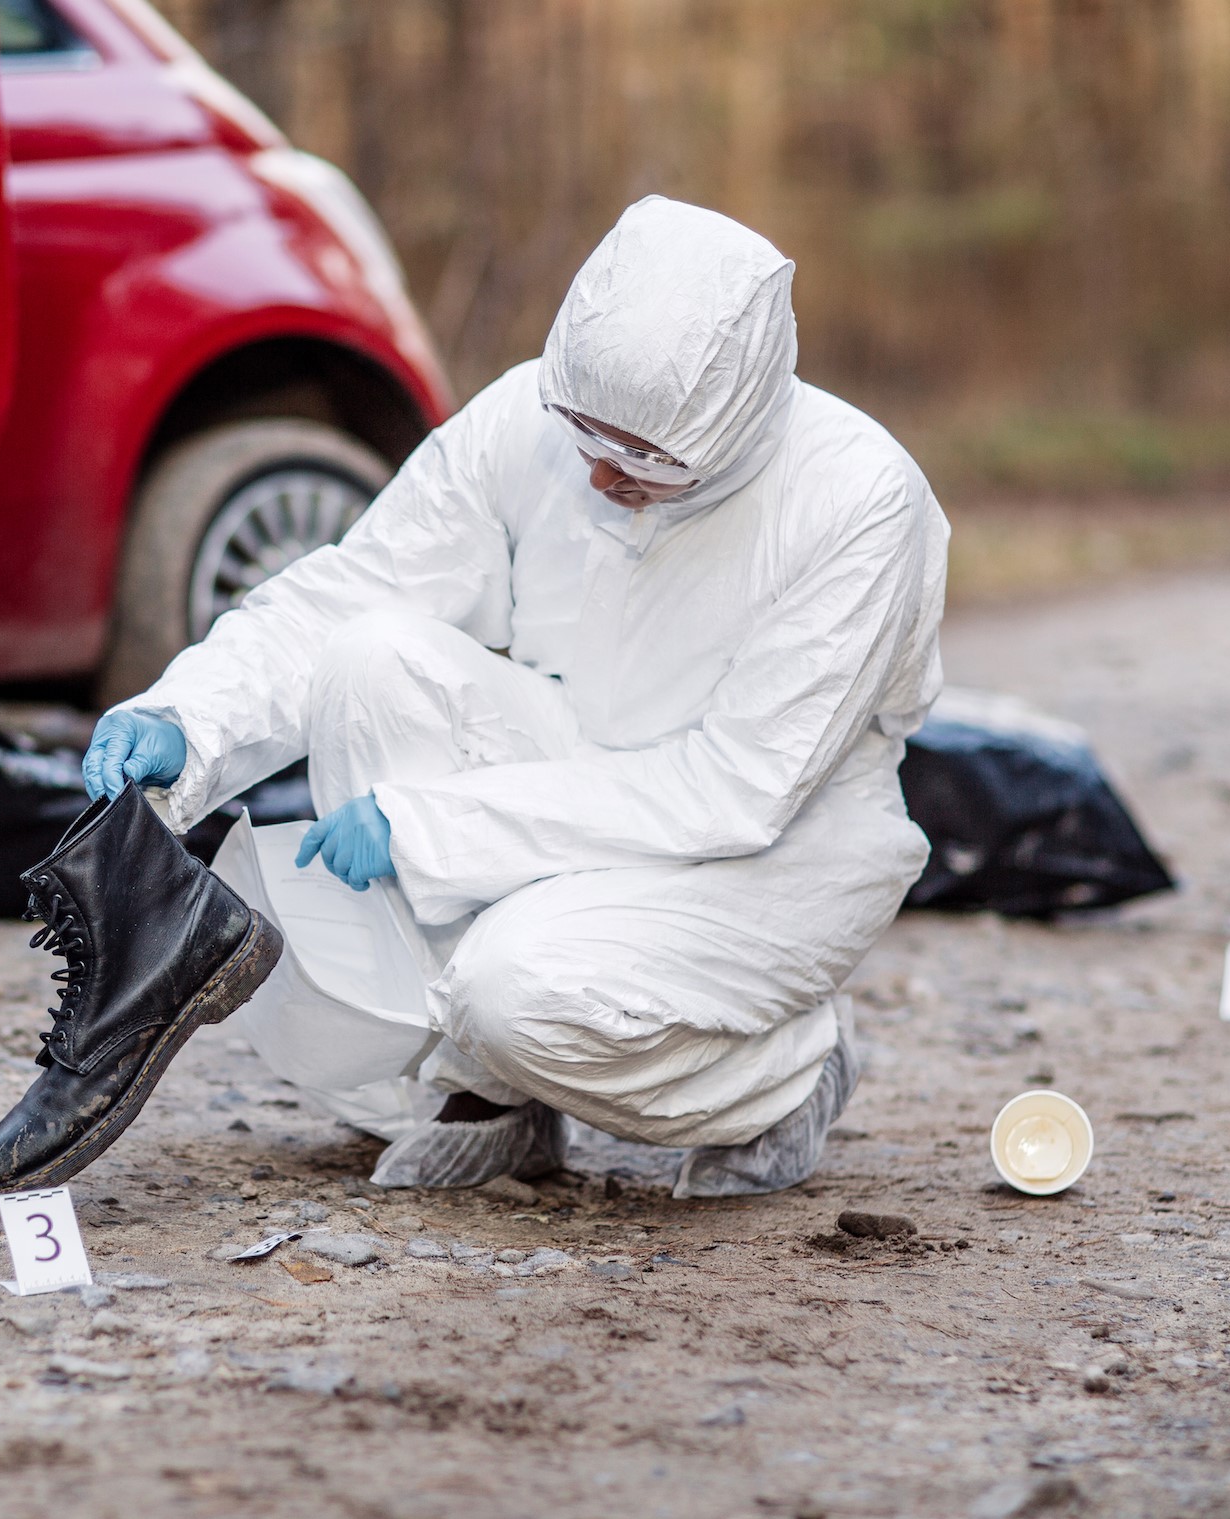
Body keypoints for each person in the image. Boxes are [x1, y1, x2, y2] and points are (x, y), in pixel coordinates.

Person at [80, 196, 948, 1196]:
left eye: (645, 459)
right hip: (577, 766)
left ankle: (779, 1073)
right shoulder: (522, 420)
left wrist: (428, 827)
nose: (600, 471)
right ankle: (493, 1098)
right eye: (584, 432)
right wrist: (189, 718)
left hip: (772, 848)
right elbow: (352, 589)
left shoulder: (857, 502)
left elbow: (733, 789)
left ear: (737, 420)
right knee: (370, 662)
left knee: (512, 992)